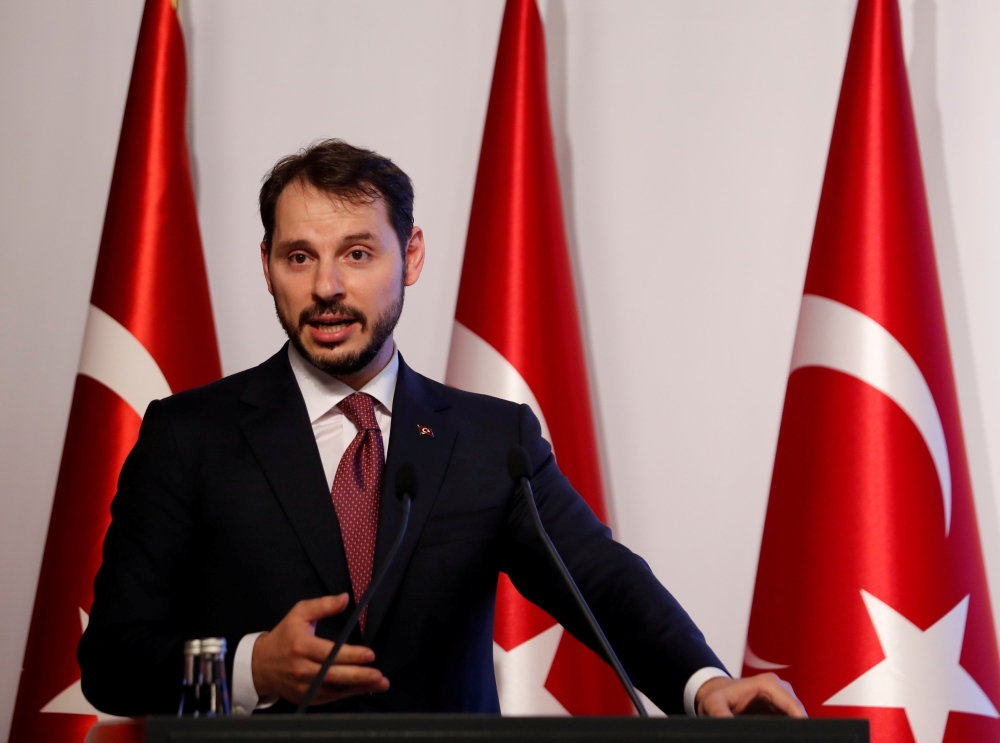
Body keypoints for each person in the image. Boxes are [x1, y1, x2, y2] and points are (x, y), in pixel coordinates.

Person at [79, 139, 803, 718]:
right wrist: (246, 667)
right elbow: (111, 662)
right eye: (300, 257)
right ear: (267, 268)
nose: (327, 286)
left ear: (412, 255)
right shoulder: (189, 436)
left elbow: (601, 581)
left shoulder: (494, 443)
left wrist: (701, 682)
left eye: (358, 253)